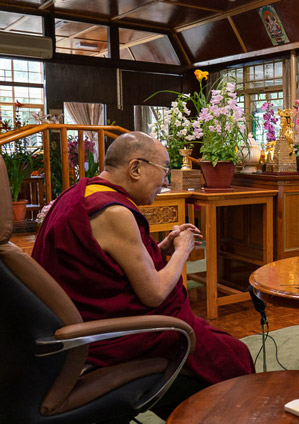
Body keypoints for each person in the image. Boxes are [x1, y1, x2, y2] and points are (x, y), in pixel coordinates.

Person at [31, 132, 256, 392]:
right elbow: (154, 294)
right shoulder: (115, 211)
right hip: (111, 336)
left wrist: (162, 249)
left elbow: (113, 266)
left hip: (76, 323)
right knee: (233, 353)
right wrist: (183, 251)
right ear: (135, 168)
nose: (165, 181)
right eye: (164, 170)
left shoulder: (79, 194)